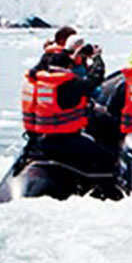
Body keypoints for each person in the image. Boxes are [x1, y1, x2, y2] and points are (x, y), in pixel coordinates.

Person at [19, 40, 113, 177]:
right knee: (108, 158)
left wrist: (73, 54)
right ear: (68, 66)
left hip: (42, 140)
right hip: (65, 140)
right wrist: (97, 58)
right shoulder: (69, 85)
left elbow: (40, 66)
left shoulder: (40, 81)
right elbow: (94, 79)